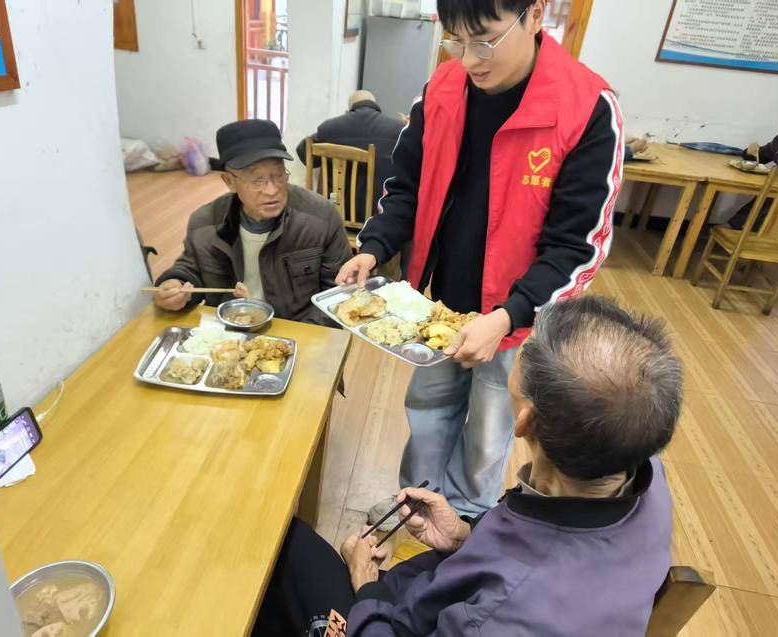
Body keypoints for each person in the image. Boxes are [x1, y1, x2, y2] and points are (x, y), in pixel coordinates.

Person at [336, 0, 624, 520]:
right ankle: (415, 507)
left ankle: (467, 520)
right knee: (428, 408)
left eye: (485, 41)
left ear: (534, 15)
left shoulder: (586, 107)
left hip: (519, 318)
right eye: (456, 41)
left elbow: (576, 247)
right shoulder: (442, 90)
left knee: (491, 429)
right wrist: (374, 247)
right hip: (442, 303)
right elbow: (406, 188)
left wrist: (509, 315)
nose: (469, 60)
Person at [253, 296, 681, 636]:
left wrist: (365, 584)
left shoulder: (504, 615)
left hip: (400, 620)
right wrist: (466, 536)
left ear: (525, 421)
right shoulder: (640, 465)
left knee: (281, 550)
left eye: (526, 350)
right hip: (447, 591)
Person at [153, 120, 353, 324]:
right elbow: (191, 269)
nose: (272, 190)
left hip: (299, 329)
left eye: (278, 175)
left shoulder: (321, 217)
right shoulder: (205, 223)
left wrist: (296, 335)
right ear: (229, 181)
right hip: (229, 332)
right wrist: (176, 285)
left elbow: (340, 292)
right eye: (257, 181)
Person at [297, 90, 405, 224]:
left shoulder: (330, 128)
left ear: (349, 108)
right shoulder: (397, 129)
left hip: (333, 217)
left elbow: (303, 152)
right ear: (375, 105)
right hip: (378, 219)